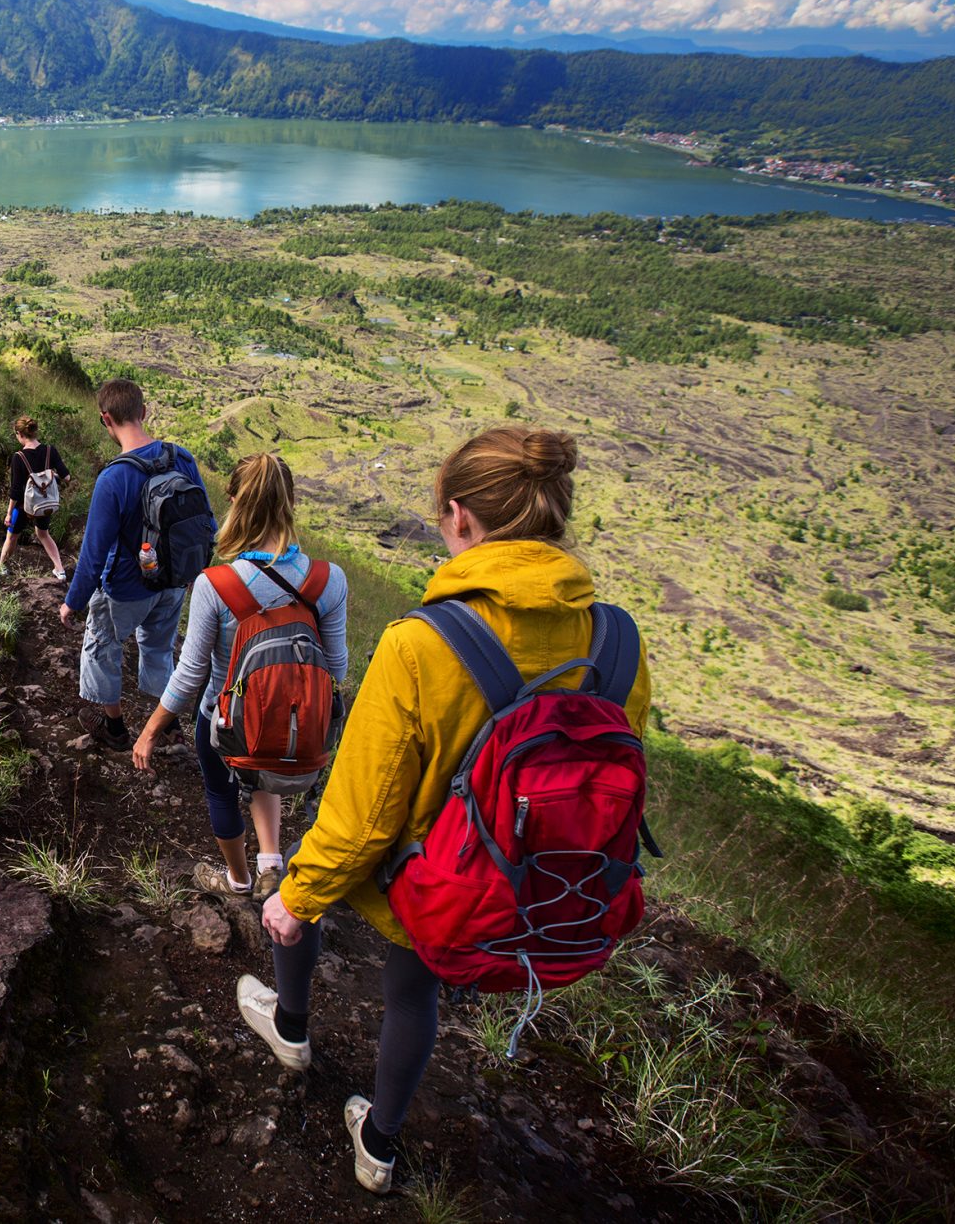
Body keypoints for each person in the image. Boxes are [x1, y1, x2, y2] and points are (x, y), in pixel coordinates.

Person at [240, 426, 651, 1195]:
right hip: (536, 883)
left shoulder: (421, 645)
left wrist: (297, 901)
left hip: (432, 880)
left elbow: (361, 815)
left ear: (460, 518)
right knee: (414, 988)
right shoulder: (618, 641)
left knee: (307, 881)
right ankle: (380, 1146)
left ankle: (290, 1028)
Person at [130, 453, 347, 903]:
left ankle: (239, 879)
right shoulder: (330, 581)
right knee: (266, 766)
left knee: (222, 793)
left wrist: (150, 731)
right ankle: (272, 862)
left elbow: (190, 673)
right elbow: (338, 669)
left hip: (224, 721)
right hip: (293, 725)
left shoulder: (217, 583)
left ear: (233, 501)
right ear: (291, 502)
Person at [59, 379, 208, 749]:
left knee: (102, 645)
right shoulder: (182, 459)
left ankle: (113, 728)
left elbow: (94, 556)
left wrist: (73, 601)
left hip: (126, 589)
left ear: (105, 419)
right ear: (144, 412)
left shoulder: (114, 479)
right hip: (174, 584)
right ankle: (169, 726)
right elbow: (207, 525)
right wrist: (193, 573)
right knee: (159, 647)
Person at [0, 415, 71, 580]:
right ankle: (60, 570)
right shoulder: (50, 450)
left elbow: (16, 490)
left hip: (24, 506)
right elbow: (66, 478)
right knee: (43, 534)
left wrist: (9, 513)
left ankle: (1, 566)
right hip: (45, 503)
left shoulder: (19, 457)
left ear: (20, 434)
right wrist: (51, 476)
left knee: (12, 535)